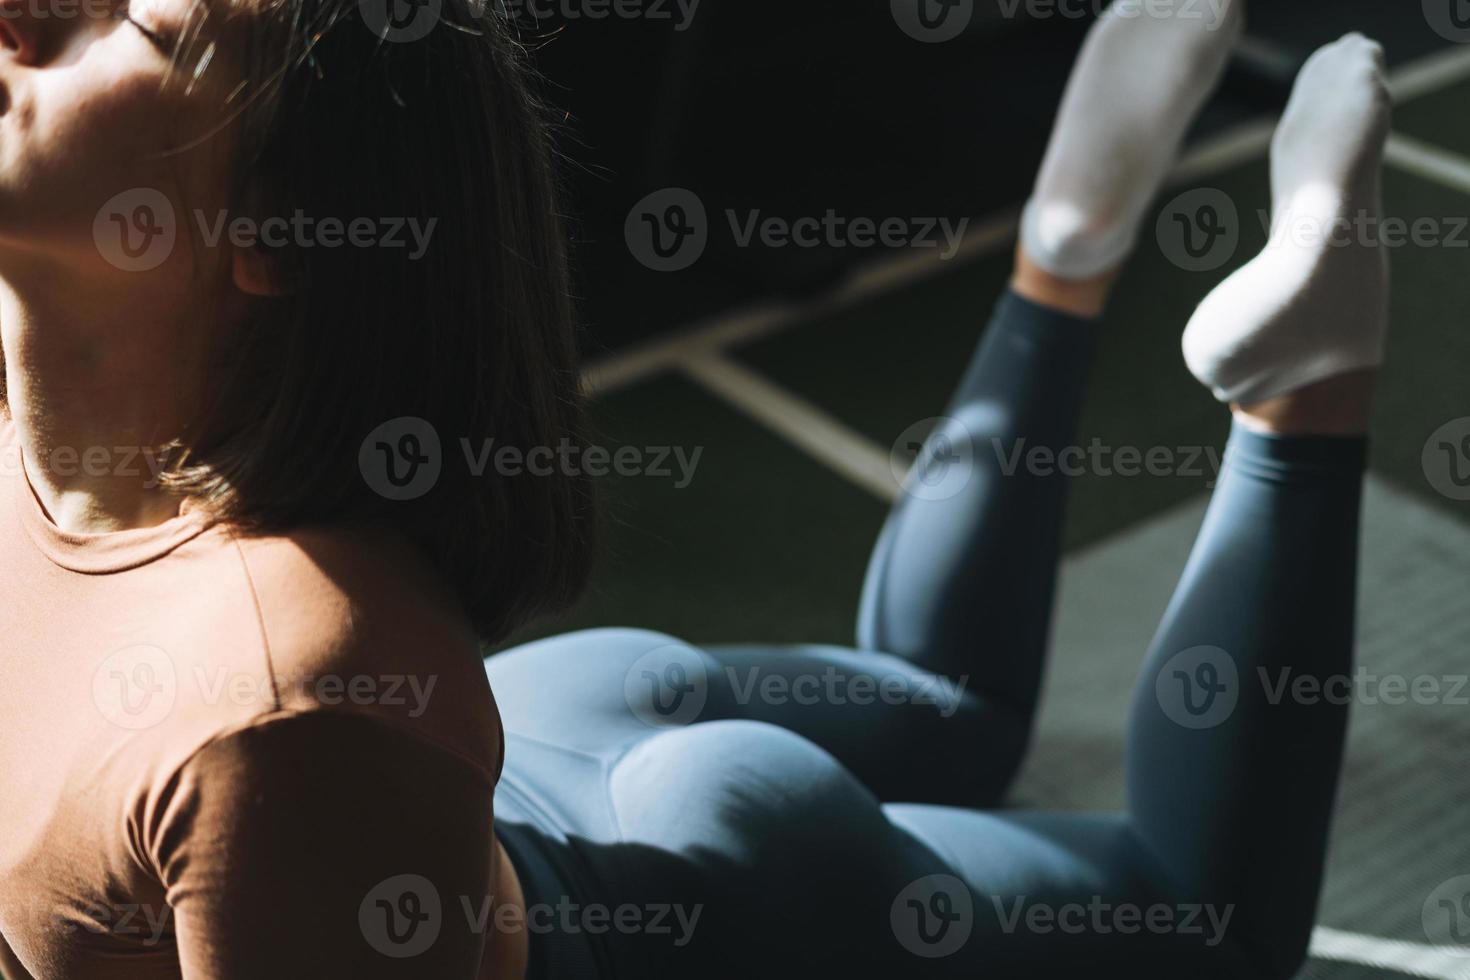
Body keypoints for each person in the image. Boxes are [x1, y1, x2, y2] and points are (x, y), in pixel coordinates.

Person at [0, 0, 1390, 977]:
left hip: (719, 894)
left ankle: (1304, 386)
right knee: (952, 713)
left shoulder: (274, 716)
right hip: (571, 731)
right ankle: (1065, 244)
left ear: (271, 234)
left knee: (1198, 927)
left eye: (140, 22)